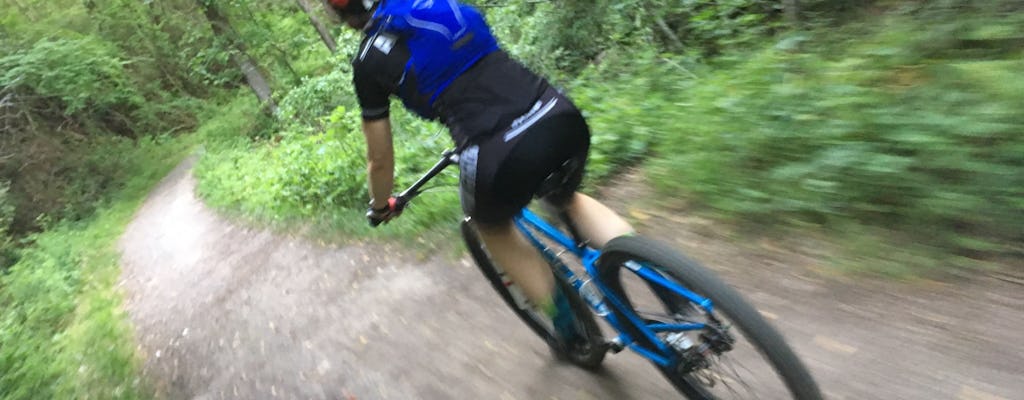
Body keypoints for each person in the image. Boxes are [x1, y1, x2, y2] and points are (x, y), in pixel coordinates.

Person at [328, 0, 633, 347]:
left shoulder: (368, 62)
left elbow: (379, 159)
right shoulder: (439, 4)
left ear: (342, 13)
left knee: (489, 224)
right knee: (565, 198)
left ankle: (572, 333)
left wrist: (381, 204)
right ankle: (662, 279)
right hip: (559, 115)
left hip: (495, 153)